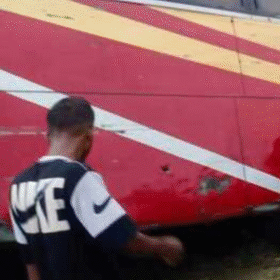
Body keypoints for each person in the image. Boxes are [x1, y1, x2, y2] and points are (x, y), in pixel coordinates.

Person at [9, 97, 185, 280]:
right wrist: (166, 247)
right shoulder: (76, 176)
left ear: (48, 136)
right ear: (88, 137)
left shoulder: (19, 185)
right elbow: (125, 239)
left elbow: (31, 264)